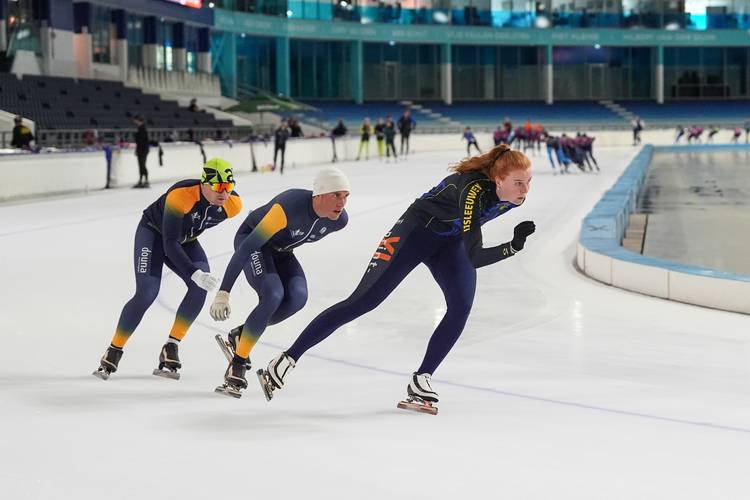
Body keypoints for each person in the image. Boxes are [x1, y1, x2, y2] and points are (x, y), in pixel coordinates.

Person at [256, 144, 536, 414]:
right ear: (498, 180)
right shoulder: (474, 190)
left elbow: (469, 243)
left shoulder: (511, 198)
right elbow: (476, 256)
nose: (525, 190)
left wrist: (509, 244)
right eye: (519, 182)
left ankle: (422, 378)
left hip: (450, 242)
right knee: (363, 301)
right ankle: (286, 359)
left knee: (461, 305)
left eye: (528, 181)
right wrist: (512, 247)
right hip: (414, 233)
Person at [93, 158, 243, 380]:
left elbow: (186, 234)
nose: (225, 194)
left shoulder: (233, 206)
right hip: (153, 234)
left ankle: (171, 346)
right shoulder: (181, 195)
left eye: (229, 187)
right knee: (147, 293)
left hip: (185, 239)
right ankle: (114, 349)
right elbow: (169, 244)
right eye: (219, 187)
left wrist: (196, 274)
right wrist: (194, 272)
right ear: (204, 184)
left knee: (199, 289)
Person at [209, 168, 351, 397]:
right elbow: (247, 247)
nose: (342, 203)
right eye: (337, 195)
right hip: (253, 242)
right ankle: (238, 363)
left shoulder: (338, 221)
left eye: (346, 196)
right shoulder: (288, 207)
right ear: (320, 194)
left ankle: (241, 335)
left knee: (297, 298)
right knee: (273, 294)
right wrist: (223, 292)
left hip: (282, 251)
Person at [133, 115, 150, 188]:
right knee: (141, 165)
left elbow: (141, 142)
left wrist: (138, 150)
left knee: (142, 165)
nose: (134, 122)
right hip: (141, 150)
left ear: (139, 120)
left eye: (135, 120)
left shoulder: (142, 129)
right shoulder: (140, 128)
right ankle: (141, 180)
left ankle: (145, 180)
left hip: (143, 150)